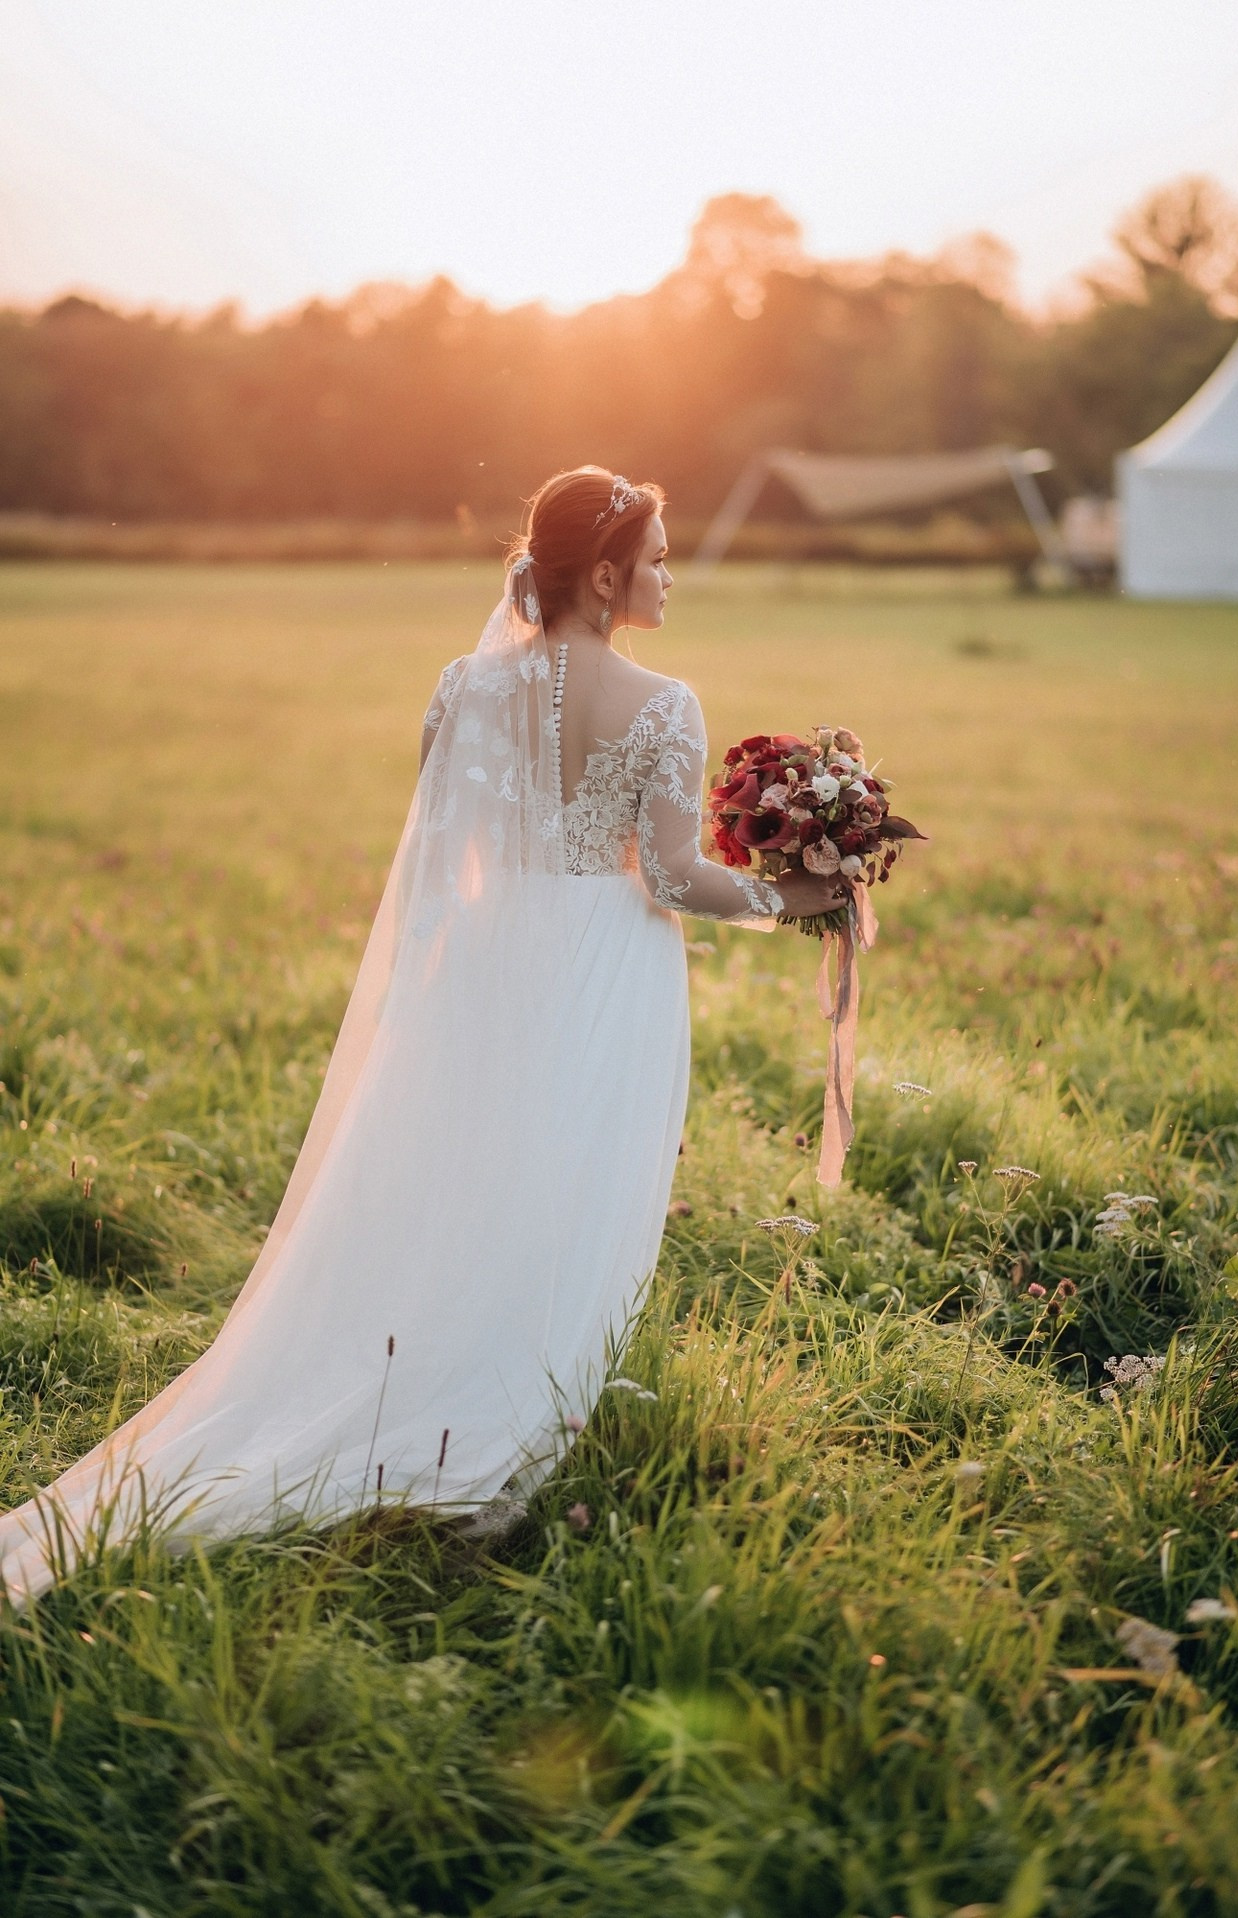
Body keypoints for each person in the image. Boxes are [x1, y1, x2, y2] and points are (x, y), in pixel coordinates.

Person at [0, 466, 845, 1604]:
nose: (667, 576)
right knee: (567, 1184)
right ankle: (511, 1406)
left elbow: (447, 856)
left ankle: (449, 1369)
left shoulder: (462, 686)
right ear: (603, 578)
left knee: (468, 1181)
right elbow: (675, 878)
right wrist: (795, 896)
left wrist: (470, 966)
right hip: (606, 969)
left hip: (486, 970)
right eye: (653, 559)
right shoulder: (664, 703)